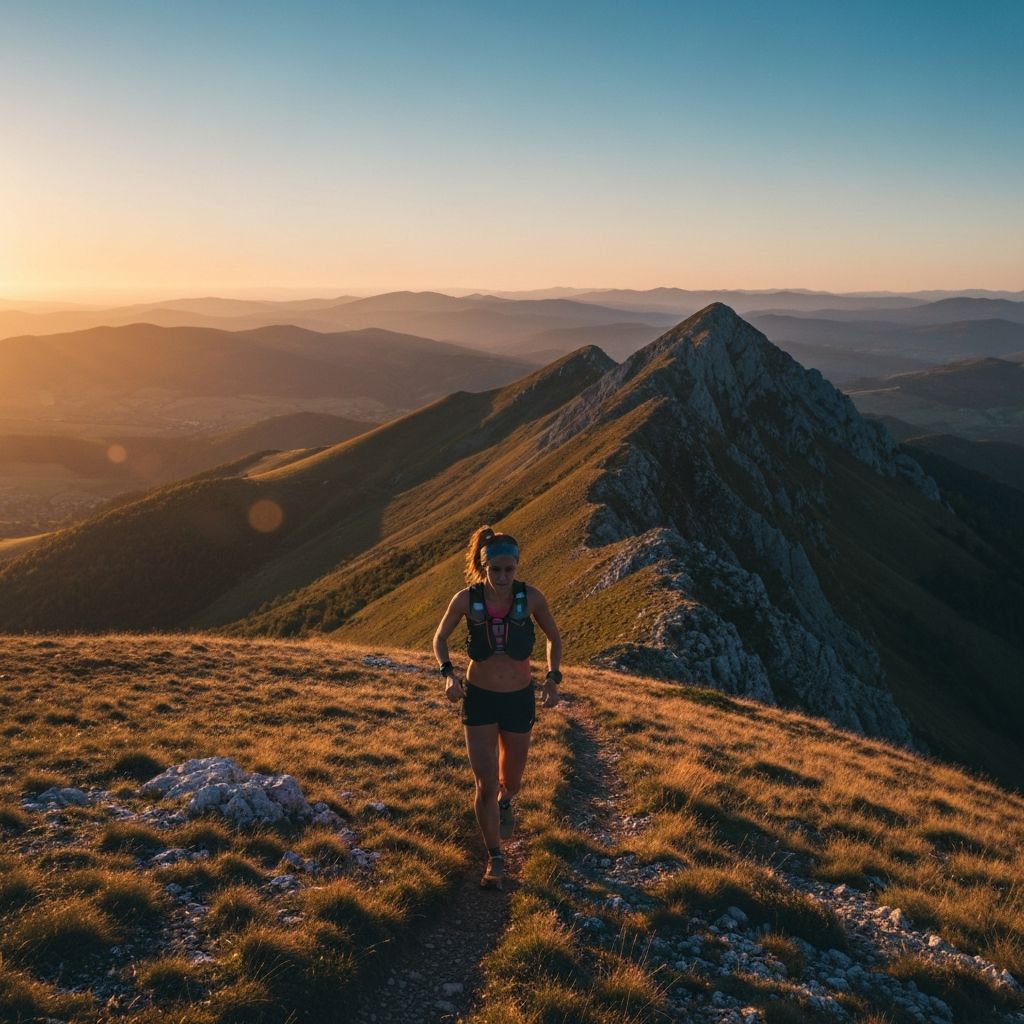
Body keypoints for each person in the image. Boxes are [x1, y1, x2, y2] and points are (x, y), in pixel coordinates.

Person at [433, 525, 563, 889]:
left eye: (509, 569)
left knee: (512, 782)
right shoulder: (466, 599)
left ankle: (507, 803)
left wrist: (553, 678)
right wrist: (448, 675)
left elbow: (554, 637)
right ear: (484, 566)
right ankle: (495, 859)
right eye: (496, 570)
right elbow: (440, 637)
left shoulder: (532, 597)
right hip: (480, 698)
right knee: (485, 783)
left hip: (519, 699)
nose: (503, 577)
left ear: (517, 566)